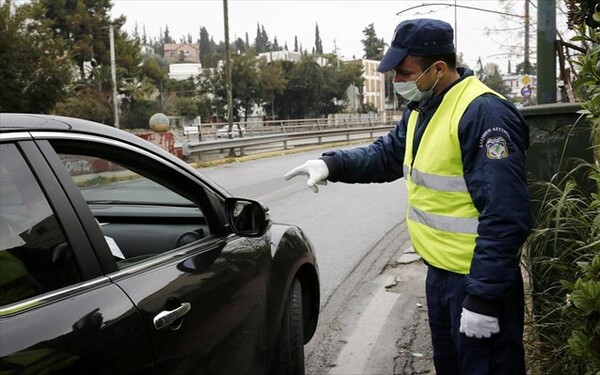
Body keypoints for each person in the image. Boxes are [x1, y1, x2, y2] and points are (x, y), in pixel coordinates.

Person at [284, 18, 531, 375]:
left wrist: (483, 297)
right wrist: (331, 164)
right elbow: (387, 155)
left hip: (476, 281)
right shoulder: (423, 108)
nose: (397, 81)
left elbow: (506, 214)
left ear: (439, 68)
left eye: (403, 72)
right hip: (442, 277)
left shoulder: (483, 113)